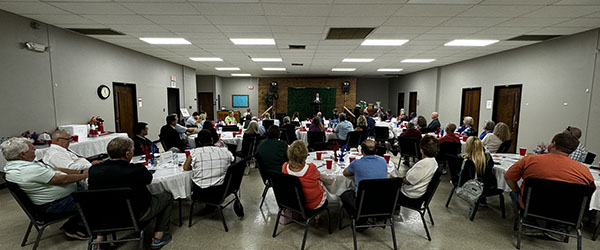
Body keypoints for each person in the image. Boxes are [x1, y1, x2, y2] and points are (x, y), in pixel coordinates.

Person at [504, 133, 594, 240]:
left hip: (533, 205)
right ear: (572, 150)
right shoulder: (583, 170)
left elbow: (509, 177)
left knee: (514, 193)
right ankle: (558, 228)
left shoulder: (530, 160)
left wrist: (518, 191)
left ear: (553, 144)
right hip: (565, 210)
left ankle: (529, 223)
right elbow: (590, 193)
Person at [88, 137, 173, 249]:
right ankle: (159, 236)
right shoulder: (136, 169)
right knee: (167, 196)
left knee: (106, 200)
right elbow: (148, 179)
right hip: (135, 215)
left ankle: (99, 241)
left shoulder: (94, 170)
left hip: (103, 216)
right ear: (128, 154)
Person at [2, 137, 89, 239]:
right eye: (32, 148)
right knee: (100, 197)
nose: (35, 150)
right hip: (54, 206)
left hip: (52, 201)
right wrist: (86, 175)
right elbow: (62, 179)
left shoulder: (14, 166)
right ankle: (75, 227)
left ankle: (77, 223)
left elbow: (53, 169)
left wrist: (81, 172)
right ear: (22, 154)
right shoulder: (28, 170)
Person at [340, 139, 388, 215]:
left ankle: (356, 216)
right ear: (376, 151)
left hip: (362, 200)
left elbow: (345, 173)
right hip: (381, 199)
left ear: (362, 151)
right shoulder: (383, 161)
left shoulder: (356, 163)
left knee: (344, 194)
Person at [184, 129, 235, 199]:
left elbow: (186, 168)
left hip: (201, 191)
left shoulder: (194, 152)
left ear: (199, 141)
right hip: (222, 190)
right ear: (212, 139)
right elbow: (233, 161)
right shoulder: (224, 151)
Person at [282, 141, 326, 210]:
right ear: (305, 155)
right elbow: (318, 176)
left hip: (294, 202)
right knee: (322, 183)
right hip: (313, 203)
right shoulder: (311, 168)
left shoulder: (284, 167)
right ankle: (317, 217)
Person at [399, 135, 439, 202]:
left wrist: (399, 179)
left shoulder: (423, 164)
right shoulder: (434, 162)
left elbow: (409, 181)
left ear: (421, 150)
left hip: (410, 195)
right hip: (419, 192)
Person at [462, 137, 497, 204]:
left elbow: (464, 175)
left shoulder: (467, 160)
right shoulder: (488, 158)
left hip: (472, 186)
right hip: (488, 186)